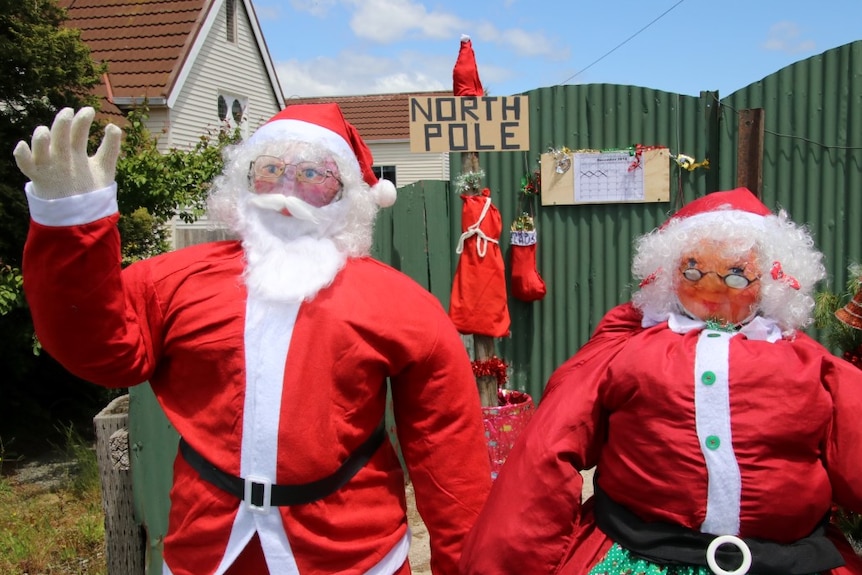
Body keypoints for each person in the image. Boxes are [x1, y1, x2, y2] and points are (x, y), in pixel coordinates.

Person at [14, 104, 492, 575]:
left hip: (351, 551)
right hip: (208, 545)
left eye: (314, 174)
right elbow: (102, 353)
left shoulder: (400, 304)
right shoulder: (174, 281)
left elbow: (448, 450)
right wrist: (71, 222)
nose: (288, 190)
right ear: (245, 179)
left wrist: (467, 565)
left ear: (347, 193)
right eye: (270, 169)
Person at [459, 187, 862, 575]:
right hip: (639, 554)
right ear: (670, 272)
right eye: (692, 270)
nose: (711, 285)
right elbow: (547, 447)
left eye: (737, 275)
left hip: (786, 560)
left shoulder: (810, 364)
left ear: (773, 280)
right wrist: (504, 562)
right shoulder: (626, 349)